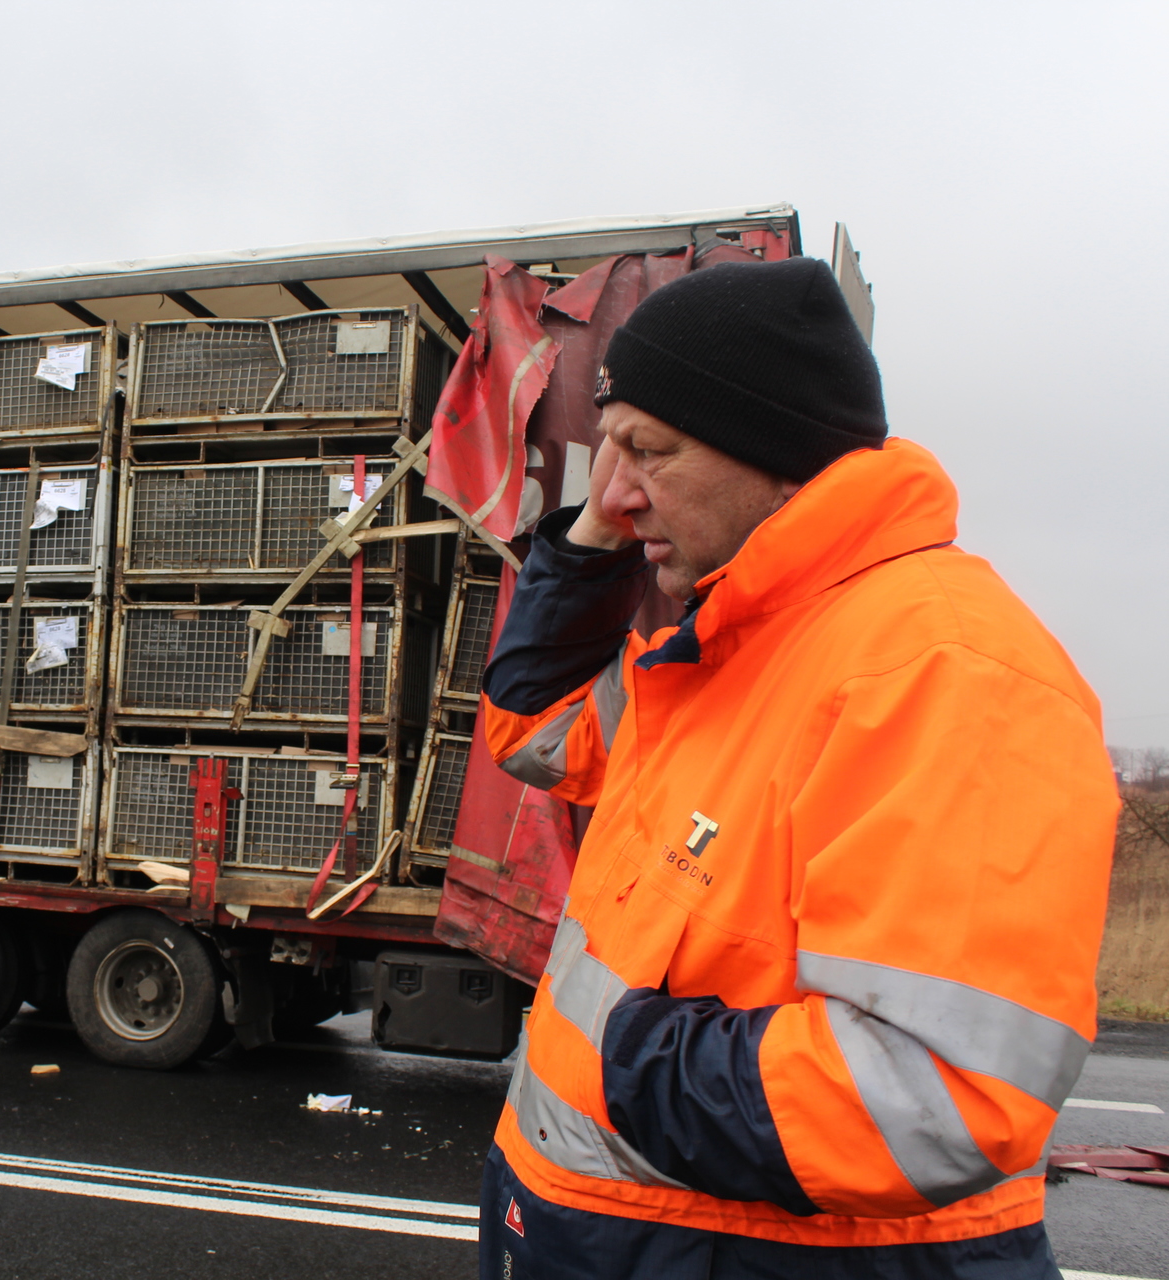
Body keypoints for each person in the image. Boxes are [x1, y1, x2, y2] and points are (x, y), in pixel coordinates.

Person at [476, 256, 1115, 1278]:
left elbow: (933, 1095)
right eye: (610, 451)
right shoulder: (730, 643)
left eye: (650, 450)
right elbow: (531, 729)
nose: (620, 490)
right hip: (617, 1237)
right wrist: (594, 533)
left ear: (774, 452)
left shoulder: (941, 670)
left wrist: (618, 1049)